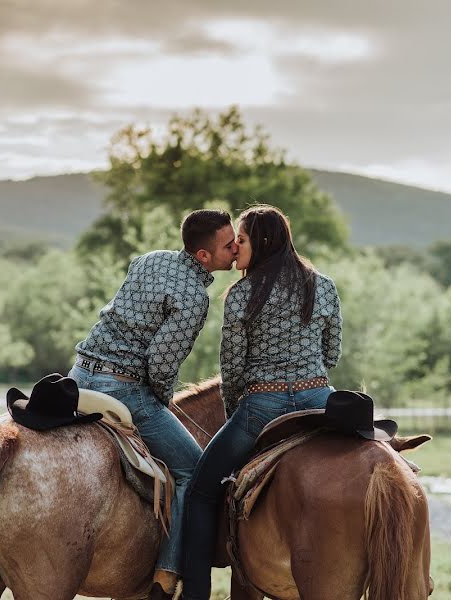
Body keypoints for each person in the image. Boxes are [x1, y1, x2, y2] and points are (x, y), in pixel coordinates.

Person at [68, 209, 238, 600]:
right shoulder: (194, 298)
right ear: (204, 256)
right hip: (124, 389)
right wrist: (161, 401)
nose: (235, 249)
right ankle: (166, 575)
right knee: (192, 471)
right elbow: (160, 364)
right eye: (228, 245)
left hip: (79, 376)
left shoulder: (149, 259)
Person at [180, 204, 342, 600]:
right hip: (319, 402)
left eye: (243, 238)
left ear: (263, 243)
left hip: (263, 407)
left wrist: (237, 412)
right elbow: (332, 353)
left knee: (200, 493)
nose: (236, 246)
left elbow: (232, 368)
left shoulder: (241, 294)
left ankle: (195, 594)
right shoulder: (323, 286)